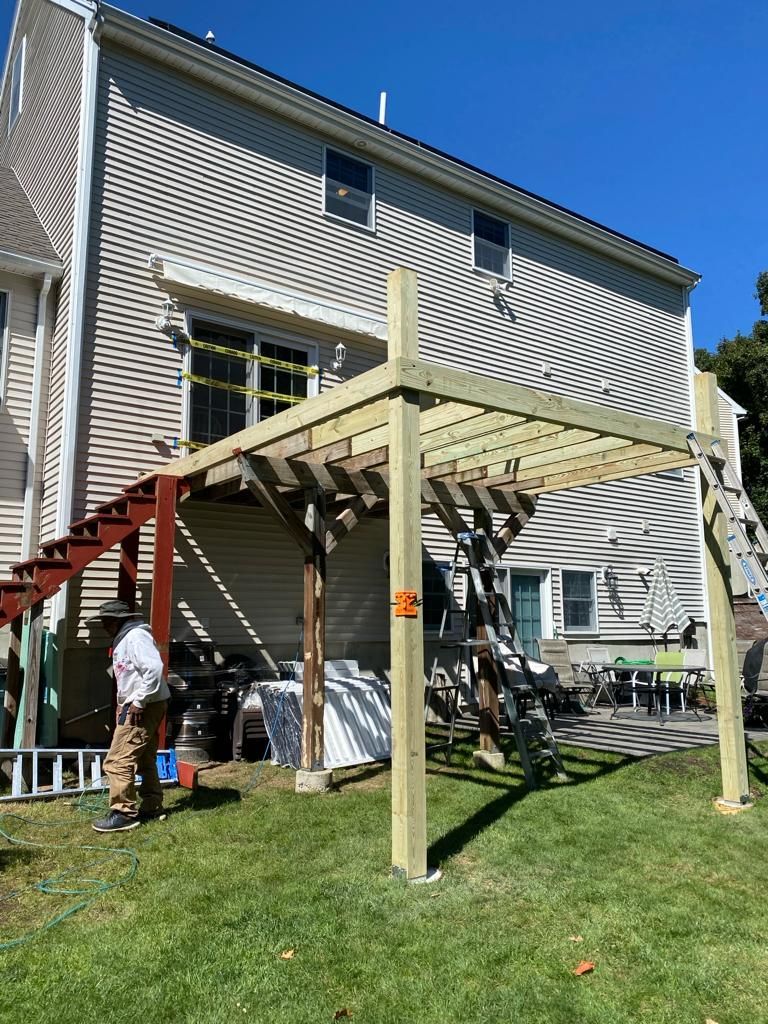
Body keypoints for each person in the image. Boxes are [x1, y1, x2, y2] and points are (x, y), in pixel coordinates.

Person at [86, 600, 171, 832]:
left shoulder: (136, 637)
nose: (103, 626)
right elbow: (130, 676)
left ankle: (124, 813)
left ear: (117, 620)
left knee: (117, 760)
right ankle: (152, 806)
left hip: (145, 705)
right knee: (143, 758)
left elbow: (153, 669)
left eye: (106, 621)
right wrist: (123, 703)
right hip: (140, 703)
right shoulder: (126, 637)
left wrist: (139, 702)